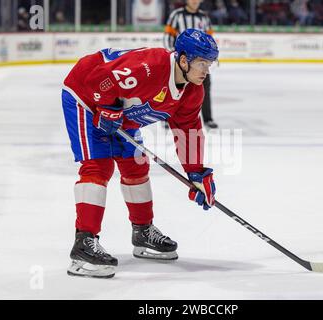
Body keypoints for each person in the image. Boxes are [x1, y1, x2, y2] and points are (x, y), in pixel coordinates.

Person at [61, 29, 219, 278]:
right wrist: (106, 106)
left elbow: (188, 131)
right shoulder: (150, 66)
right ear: (184, 60)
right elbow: (99, 78)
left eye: (210, 64)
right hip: (85, 97)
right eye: (202, 63)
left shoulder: (192, 91)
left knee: (136, 166)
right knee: (98, 167)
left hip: (124, 108)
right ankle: (84, 243)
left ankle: (143, 232)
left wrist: (196, 172)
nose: (206, 71)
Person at [163, 0, 219, 129]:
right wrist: (175, 56)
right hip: (182, 62)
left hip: (201, 62)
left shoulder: (204, 17)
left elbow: (210, 39)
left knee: (204, 89)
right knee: (173, 89)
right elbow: (168, 36)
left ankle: (208, 119)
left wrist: (210, 58)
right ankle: (167, 117)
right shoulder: (176, 15)